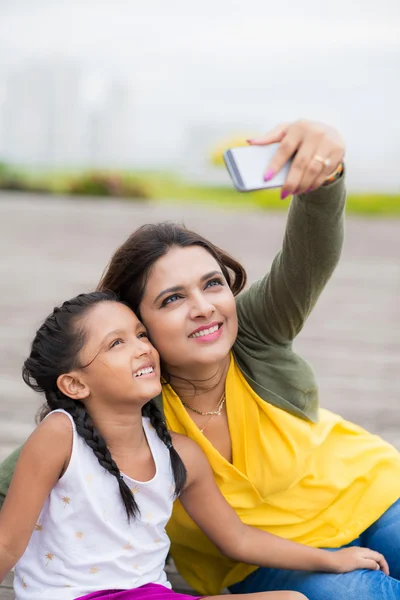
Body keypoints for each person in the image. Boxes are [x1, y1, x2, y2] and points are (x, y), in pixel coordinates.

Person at [1, 120, 400, 600]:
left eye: (212, 284)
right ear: (137, 322)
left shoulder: (252, 334)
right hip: (267, 557)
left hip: (374, 495)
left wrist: (324, 173)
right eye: (172, 299)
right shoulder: (124, 399)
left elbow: (310, 256)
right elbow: (20, 483)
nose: (204, 306)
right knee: (360, 595)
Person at [0, 292, 384, 600]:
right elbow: (6, 545)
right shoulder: (59, 436)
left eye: (141, 334)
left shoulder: (180, 454)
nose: (142, 348)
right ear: (75, 385)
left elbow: (238, 538)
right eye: (116, 343)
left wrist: (331, 560)